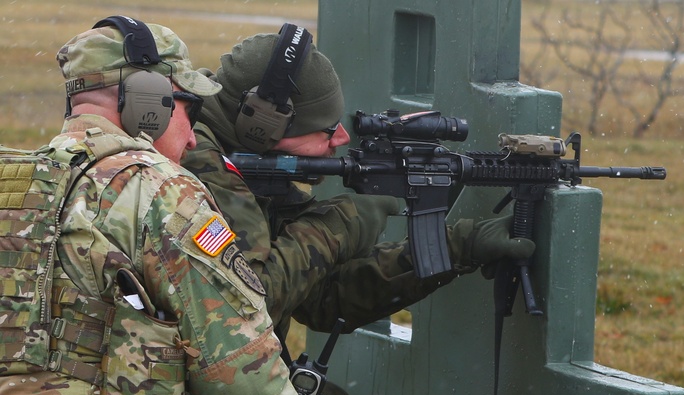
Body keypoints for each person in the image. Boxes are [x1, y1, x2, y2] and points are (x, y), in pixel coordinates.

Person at [0, 18, 352, 395]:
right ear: (149, 104)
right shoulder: (162, 195)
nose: (191, 138)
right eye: (186, 109)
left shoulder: (21, 189)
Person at [183, 24, 534, 353]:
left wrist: (459, 246)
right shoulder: (198, 161)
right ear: (264, 123)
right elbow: (248, 304)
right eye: (326, 128)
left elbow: (323, 299)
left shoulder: (250, 160)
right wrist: (335, 228)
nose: (343, 138)